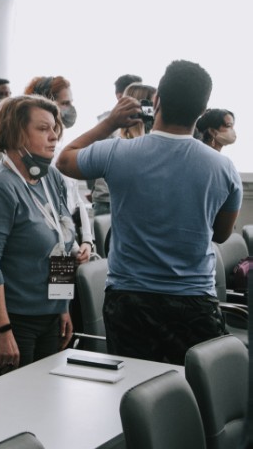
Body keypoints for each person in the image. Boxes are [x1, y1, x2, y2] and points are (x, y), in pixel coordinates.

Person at [56, 60, 242, 365]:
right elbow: (221, 234)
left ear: (157, 101)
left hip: (129, 300)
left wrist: (110, 123)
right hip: (193, 298)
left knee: (134, 386)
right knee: (194, 387)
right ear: (202, 111)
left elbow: (64, 160)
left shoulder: (117, 152)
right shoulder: (223, 168)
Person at [0, 95, 85, 376]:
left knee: (44, 395)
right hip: (11, 318)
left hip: (48, 314)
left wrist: (61, 306)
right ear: (17, 134)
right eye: (43, 128)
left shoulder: (51, 177)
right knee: (14, 399)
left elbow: (61, 240)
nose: (54, 136)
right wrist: (2, 329)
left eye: (54, 128)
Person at [25, 76, 93, 252]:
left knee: (74, 274)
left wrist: (87, 240)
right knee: (63, 273)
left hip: (70, 240)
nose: (71, 108)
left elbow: (75, 199)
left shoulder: (61, 149)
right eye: (65, 103)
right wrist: (74, 247)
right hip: (56, 244)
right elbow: (51, 211)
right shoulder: (40, 158)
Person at [90, 83, 157, 217]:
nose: (156, 110)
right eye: (153, 105)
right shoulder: (114, 137)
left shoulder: (147, 136)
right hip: (109, 205)